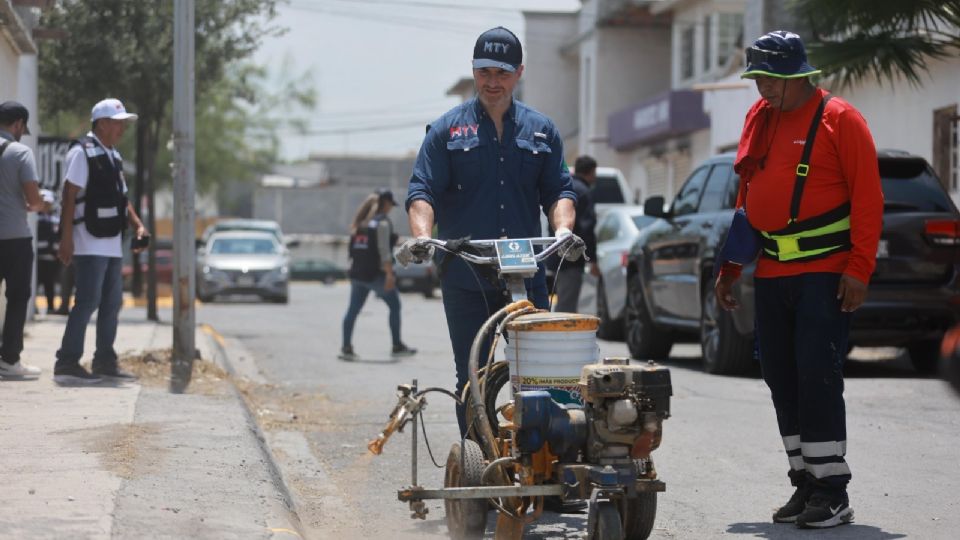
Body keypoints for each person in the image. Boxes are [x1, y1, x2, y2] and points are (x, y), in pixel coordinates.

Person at [714, 31, 883, 529]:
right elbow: (746, 194)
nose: (761, 89)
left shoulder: (841, 119)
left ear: (796, 75)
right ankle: (805, 483)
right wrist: (730, 266)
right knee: (780, 378)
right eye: (757, 79)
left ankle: (833, 492)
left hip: (824, 272)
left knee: (816, 376)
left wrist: (859, 268)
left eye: (769, 79)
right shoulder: (759, 117)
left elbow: (869, 199)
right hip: (771, 272)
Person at [400, 26, 577, 437]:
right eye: (484, 72)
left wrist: (563, 229)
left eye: (501, 73)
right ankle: (478, 457)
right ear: (474, 72)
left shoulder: (542, 131)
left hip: (525, 269)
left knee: (539, 367)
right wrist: (423, 235)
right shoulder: (445, 131)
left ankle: (540, 456)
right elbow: (421, 190)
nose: (492, 82)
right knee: (472, 372)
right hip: (465, 271)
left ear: (518, 73)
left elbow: (559, 191)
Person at [54, 98, 149, 385]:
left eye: (124, 123)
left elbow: (122, 199)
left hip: (110, 243)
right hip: (87, 242)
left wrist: (138, 225)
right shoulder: (82, 153)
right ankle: (67, 362)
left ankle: (105, 361)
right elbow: (69, 195)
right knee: (87, 302)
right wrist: (66, 239)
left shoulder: (113, 155)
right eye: (118, 123)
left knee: (111, 303)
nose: (122, 129)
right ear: (102, 123)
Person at [339, 189, 417, 361]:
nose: (391, 209)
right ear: (386, 203)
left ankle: (346, 347)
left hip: (358, 274)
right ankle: (396, 345)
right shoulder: (382, 223)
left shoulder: (360, 224)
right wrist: (389, 274)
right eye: (391, 205)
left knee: (352, 310)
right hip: (376, 275)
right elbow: (383, 251)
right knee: (395, 306)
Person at [0, 101, 45, 380]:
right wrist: (40, 204)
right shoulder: (20, 152)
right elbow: (33, 198)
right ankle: (9, 360)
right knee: (17, 298)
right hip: (14, 237)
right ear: (17, 123)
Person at [553, 155, 599, 313]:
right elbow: (587, 228)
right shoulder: (584, 192)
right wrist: (592, 258)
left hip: (557, 253)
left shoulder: (566, 187)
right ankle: (561, 336)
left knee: (564, 298)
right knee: (567, 305)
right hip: (573, 257)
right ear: (590, 172)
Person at [36, 189, 62, 314]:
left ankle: (51, 307)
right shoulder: (35, 218)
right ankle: (33, 308)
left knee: (49, 284)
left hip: (51, 259)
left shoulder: (55, 219)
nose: (46, 205)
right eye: (44, 202)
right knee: (35, 284)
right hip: (38, 258)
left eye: (48, 203)